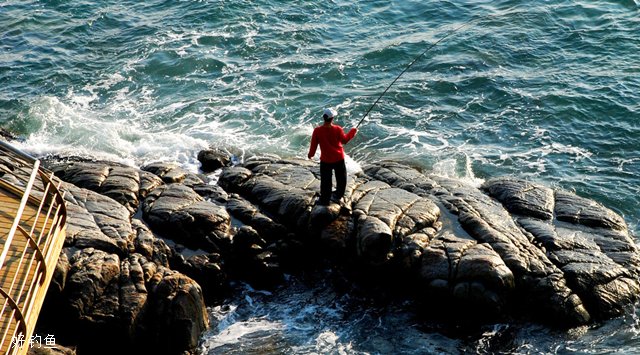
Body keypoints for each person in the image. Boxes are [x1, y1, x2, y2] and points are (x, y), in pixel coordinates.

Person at [308, 108, 357, 205]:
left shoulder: (317, 131)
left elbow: (313, 145)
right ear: (332, 119)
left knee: (326, 180)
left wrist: (311, 155)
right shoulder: (338, 129)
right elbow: (345, 140)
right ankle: (339, 195)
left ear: (323, 118)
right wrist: (353, 131)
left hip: (326, 160)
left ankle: (325, 199)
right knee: (341, 178)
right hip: (338, 157)